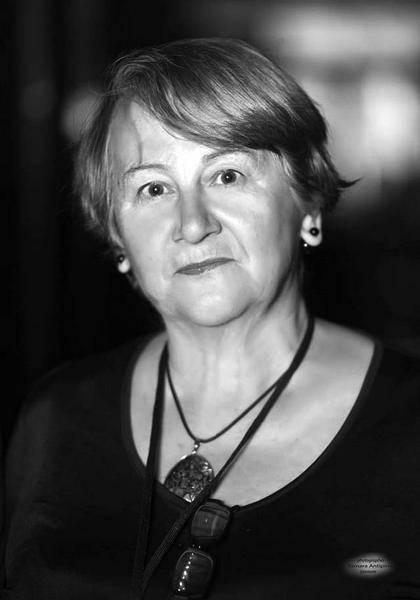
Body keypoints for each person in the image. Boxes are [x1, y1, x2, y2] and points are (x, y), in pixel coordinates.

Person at [2, 37, 420, 600]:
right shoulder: (55, 419)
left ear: (308, 202)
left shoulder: (408, 423)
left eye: (227, 175)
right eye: (153, 188)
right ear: (117, 238)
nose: (193, 224)